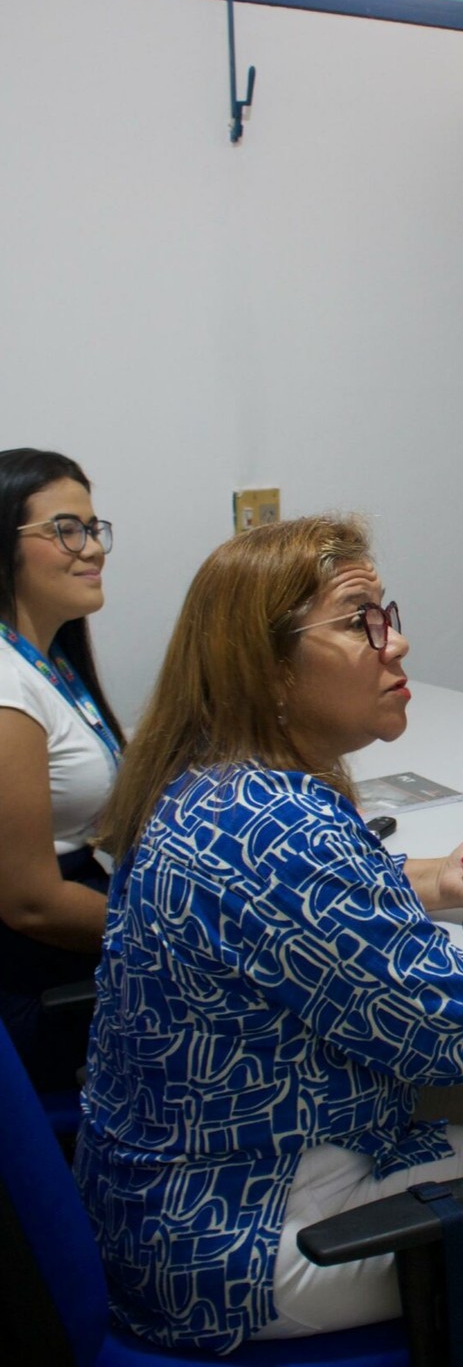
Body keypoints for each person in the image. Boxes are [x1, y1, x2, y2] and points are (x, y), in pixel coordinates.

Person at [73, 515, 463, 1366]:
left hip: (171, 1204)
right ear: (270, 665)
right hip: (241, 1240)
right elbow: (454, 1033)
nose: (395, 642)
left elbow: (282, 913)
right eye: (360, 620)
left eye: (384, 612)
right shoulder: (286, 830)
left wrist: (430, 880)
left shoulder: (215, 787)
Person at [0, 447, 123, 1091]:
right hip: (36, 980)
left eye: (94, 528)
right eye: (65, 530)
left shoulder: (48, 662)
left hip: (76, 936)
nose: (93, 548)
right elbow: (32, 905)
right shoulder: (5, 687)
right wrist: (176, 933)